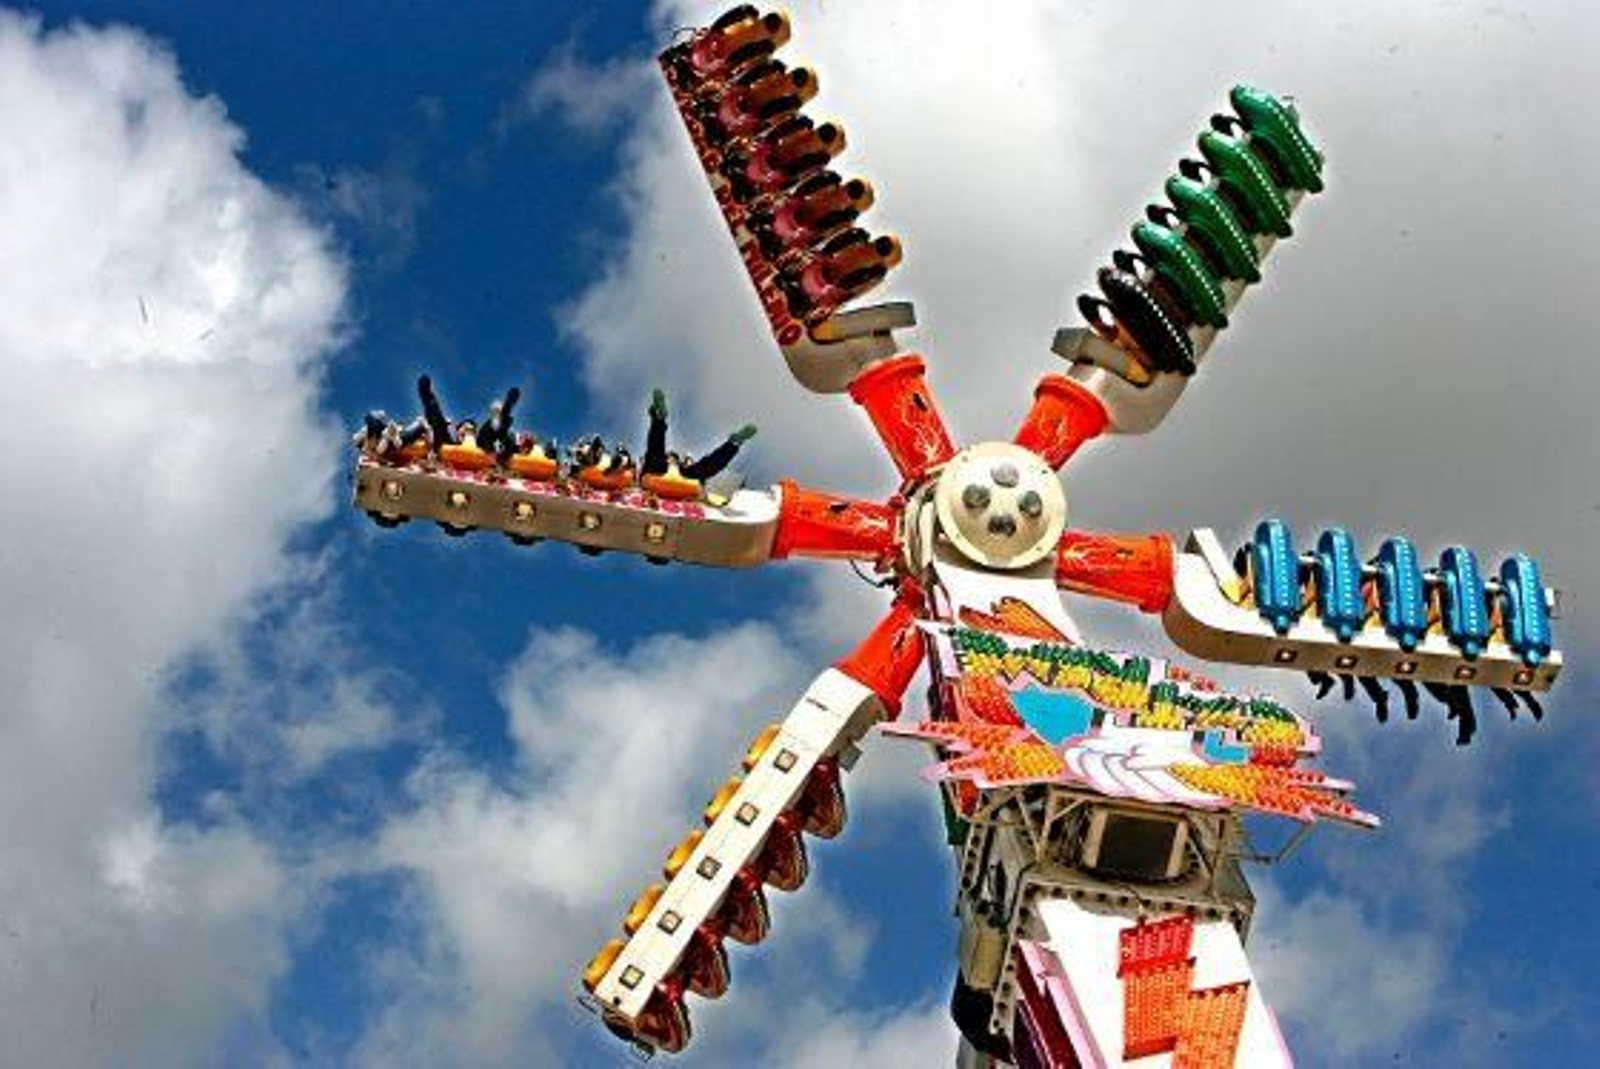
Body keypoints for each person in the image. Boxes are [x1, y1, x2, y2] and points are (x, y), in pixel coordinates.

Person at [641, 388, 757, 483]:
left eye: (672, 459)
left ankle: (658, 419)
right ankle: (732, 444)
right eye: (670, 458)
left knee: (655, 455)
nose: (671, 460)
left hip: (667, 478)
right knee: (707, 468)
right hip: (667, 478)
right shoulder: (680, 468)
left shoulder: (682, 468)